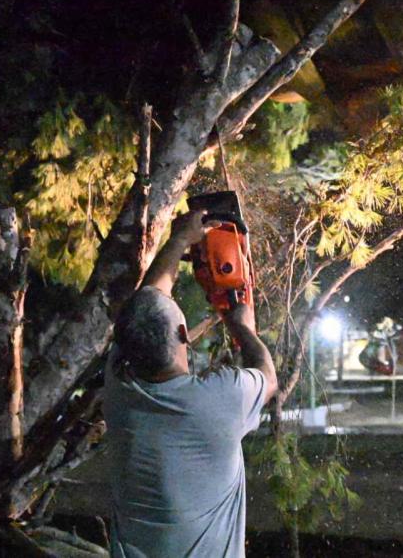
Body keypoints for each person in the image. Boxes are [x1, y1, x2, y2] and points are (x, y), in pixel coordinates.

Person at [104, 209, 278, 558]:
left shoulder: (119, 386)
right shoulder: (216, 402)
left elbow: (148, 300)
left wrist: (181, 240)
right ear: (185, 333)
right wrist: (242, 326)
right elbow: (268, 378)